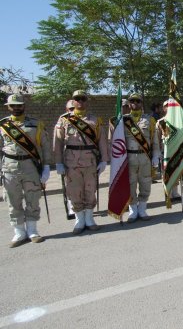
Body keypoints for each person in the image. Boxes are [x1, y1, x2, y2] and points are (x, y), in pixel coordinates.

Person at [54, 90, 109, 234]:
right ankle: (79, 220)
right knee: (74, 191)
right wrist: (58, 162)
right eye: (77, 99)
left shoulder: (95, 120)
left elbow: (102, 141)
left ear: (87, 101)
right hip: (71, 162)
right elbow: (58, 142)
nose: (80, 101)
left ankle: (90, 219)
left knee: (90, 190)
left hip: (90, 160)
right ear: (73, 101)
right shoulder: (64, 119)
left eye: (83, 99)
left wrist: (104, 160)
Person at [0, 94, 52, 247]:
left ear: (24, 105)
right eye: (13, 105)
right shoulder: (3, 126)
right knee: (12, 200)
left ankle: (32, 231)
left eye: (19, 105)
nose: (16, 108)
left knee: (33, 198)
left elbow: (45, 146)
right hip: (9, 166)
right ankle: (19, 233)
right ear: (8, 107)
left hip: (30, 166)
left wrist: (47, 166)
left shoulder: (36, 124)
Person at [109, 93, 160, 222]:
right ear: (129, 104)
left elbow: (154, 140)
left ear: (141, 103)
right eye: (132, 101)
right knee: (130, 185)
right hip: (129, 158)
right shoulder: (122, 120)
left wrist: (156, 155)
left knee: (145, 183)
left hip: (145, 158)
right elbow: (116, 142)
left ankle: (142, 209)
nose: (135, 103)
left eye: (138, 101)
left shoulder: (150, 120)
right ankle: (133, 210)